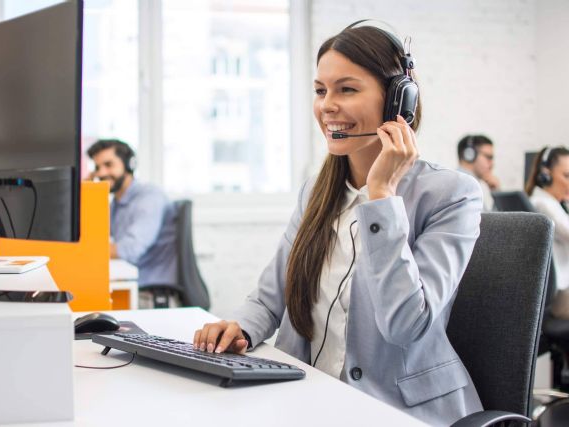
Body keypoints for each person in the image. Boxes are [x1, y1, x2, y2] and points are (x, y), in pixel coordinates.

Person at [193, 22, 483, 426]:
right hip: (310, 399)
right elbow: (269, 298)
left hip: (400, 411)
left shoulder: (451, 195)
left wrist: (382, 194)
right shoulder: (317, 191)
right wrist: (239, 327)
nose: (327, 105)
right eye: (320, 90)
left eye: (347, 89)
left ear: (399, 102)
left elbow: (407, 325)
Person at [86, 139, 180, 308]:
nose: (101, 173)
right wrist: (86, 192)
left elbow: (129, 249)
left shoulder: (149, 197)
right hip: (133, 286)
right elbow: (93, 235)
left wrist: (83, 251)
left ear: (129, 165)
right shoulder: (116, 202)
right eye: (97, 167)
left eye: (108, 164)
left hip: (152, 296)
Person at [526, 146, 569, 319]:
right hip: (561, 296)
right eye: (566, 176)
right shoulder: (543, 204)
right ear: (546, 175)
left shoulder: (550, 203)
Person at [457, 134, 500, 211]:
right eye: (488, 157)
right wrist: (499, 195)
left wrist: (496, 193)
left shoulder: (465, 183)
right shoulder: (465, 186)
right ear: (469, 155)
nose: (492, 164)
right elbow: (489, 222)